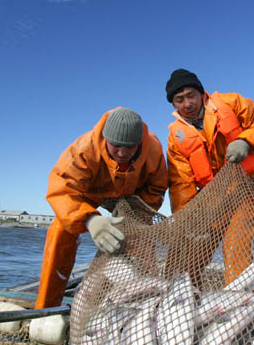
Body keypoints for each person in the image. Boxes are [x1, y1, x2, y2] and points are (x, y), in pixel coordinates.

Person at [34, 107, 168, 309]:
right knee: (60, 230)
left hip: (132, 197)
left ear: (139, 143)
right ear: (105, 138)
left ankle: (147, 306)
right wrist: (89, 219)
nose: (122, 153)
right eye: (115, 146)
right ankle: (46, 307)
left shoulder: (154, 150)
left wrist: (135, 214)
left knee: (144, 238)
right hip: (90, 193)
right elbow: (62, 189)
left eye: (130, 147)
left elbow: (156, 188)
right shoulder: (84, 148)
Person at [164, 68, 254, 285]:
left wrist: (246, 141)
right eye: (179, 99)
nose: (187, 103)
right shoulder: (176, 135)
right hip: (211, 201)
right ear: (174, 104)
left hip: (246, 190)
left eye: (191, 96)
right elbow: (180, 184)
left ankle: (236, 301)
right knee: (190, 256)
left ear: (201, 93)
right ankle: (185, 298)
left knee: (237, 250)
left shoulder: (232, 102)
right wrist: (187, 219)